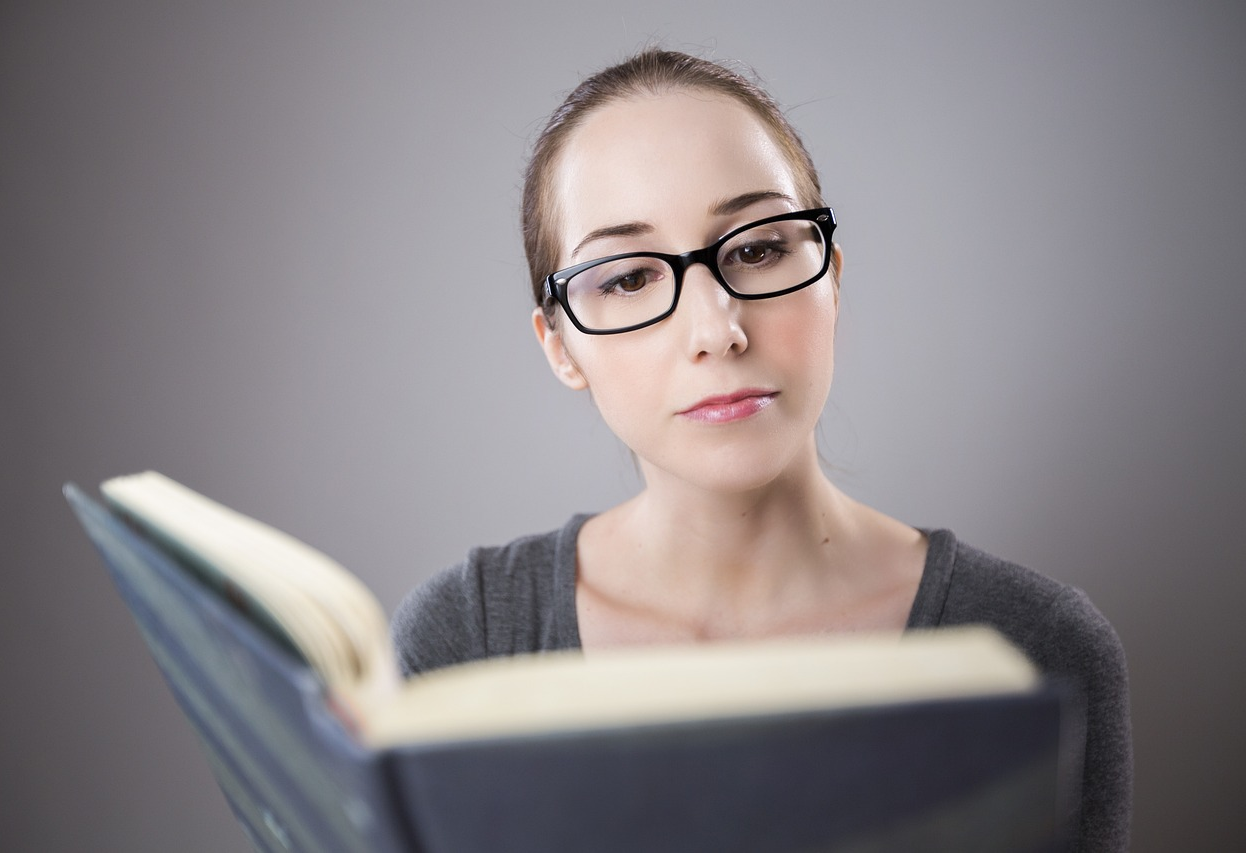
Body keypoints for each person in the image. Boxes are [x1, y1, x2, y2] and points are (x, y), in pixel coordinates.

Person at [392, 49, 1131, 850]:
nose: (717, 330)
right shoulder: (467, 640)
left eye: (756, 249)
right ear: (560, 346)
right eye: (629, 278)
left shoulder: (1036, 647)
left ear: (831, 278)